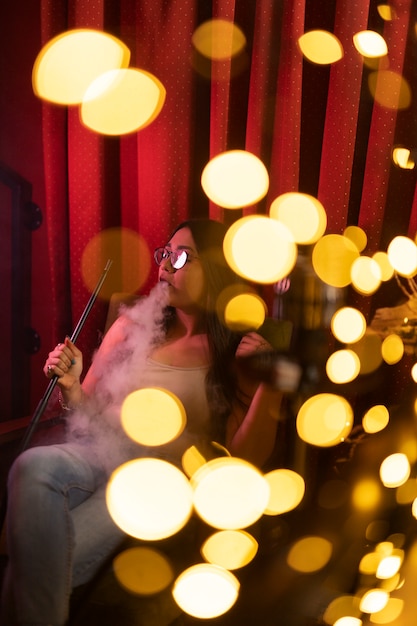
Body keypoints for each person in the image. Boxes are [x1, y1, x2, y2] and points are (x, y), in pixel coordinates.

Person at [1, 218, 287, 626]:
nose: (166, 265)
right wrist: (72, 386)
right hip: (97, 451)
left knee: (40, 554)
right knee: (32, 464)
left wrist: (269, 385)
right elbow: (90, 411)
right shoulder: (132, 325)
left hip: (155, 481)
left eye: (182, 256)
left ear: (218, 270)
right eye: (165, 253)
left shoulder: (235, 351)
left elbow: (243, 460)